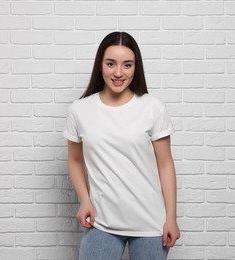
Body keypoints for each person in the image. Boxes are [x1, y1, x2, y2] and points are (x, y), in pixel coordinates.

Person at [63, 31, 180, 260]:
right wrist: (84, 200)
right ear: (100, 65)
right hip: (102, 222)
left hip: (150, 224)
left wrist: (171, 218)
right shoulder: (79, 110)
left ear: (136, 68)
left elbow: (165, 165)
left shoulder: (152, 108)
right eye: (110, 64)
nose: (118, 73)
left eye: (127, 65)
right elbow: (75, 160)